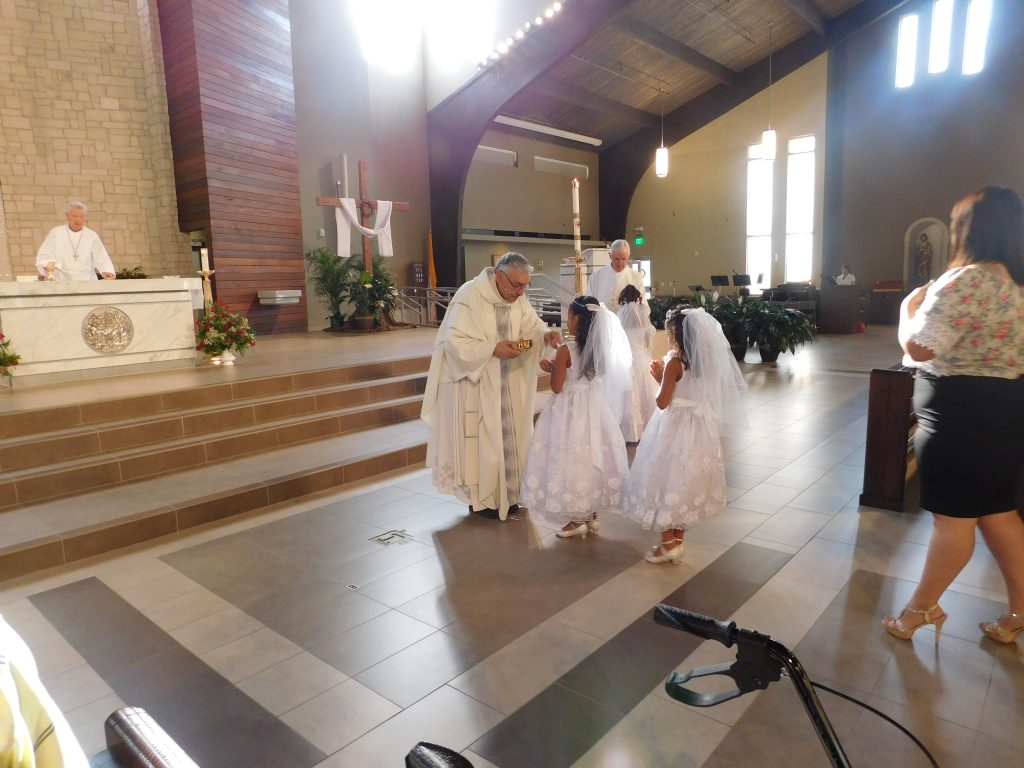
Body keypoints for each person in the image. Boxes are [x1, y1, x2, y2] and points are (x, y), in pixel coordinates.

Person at [884, 186, 1024, 644]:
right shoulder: (1016, 284)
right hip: (1005, 409)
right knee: (999, 514)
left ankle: (919, 609)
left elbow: (920, 348)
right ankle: (1019, 613)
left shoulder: (968, 281)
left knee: (953, 521)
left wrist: (906, 311)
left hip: (960, 416)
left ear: (969, 230)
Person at [421, 252, 562, 521]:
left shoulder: (517, 298)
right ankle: (483, 501)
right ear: (500, 277)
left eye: (525, 286)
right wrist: (492, 349)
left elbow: (532, 327)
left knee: (513, 440)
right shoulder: (470, 295)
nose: (521, 293)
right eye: (517, 286)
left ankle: (511, 495)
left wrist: (545, 335)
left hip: (509, 385)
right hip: (478, 386)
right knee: (485, 445)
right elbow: (454, 342)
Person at [620, 307, 747, 563]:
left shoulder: (674, 363)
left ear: (677, 334)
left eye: (669, 332)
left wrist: (659, 378)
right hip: (699, 430)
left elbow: (663, 402)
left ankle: (668, 543)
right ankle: (677, 539)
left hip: (674, 427)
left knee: (665, 478)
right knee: (684, 480)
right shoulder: (706, 363)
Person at [521, 295, 632, 539]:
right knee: (590, 457)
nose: (567, 319)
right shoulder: (599, 350)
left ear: (577, 319)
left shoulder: (566, 350)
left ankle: (576, 520)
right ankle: (590, 515)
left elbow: (557, 387)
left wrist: (553, 369)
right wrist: (558, 368)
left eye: (569, 315)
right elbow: (586, 375)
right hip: (593, 408)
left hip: (568, 411)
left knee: (571, 458)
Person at [616, 284, 658, 442]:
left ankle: (629, 432)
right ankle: (648, 430)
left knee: (628, 395)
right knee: (645, 394)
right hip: (641, 359)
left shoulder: (620, 315)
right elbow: (647, 342)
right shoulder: (643, 316)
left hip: (625, 361)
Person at [36, 202, 116, 281]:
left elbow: (101, 256)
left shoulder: (91, 236)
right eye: (75, 216)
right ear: (67, 216)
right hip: (62, 280)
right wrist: (46, 266)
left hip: (87, 281)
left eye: (81, 217)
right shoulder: (56, 233)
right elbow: (46, 253)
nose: (78, 220)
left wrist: (107, 271)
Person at [587, 239, 647, 312]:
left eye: (623, 259)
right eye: (616, 259)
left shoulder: (636, 277)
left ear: (628, 257)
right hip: (603, 318)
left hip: (627, 319)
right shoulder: (596, 277)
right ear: (610, 256)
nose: (620, 263)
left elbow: (643, 307)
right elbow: (590, 305)